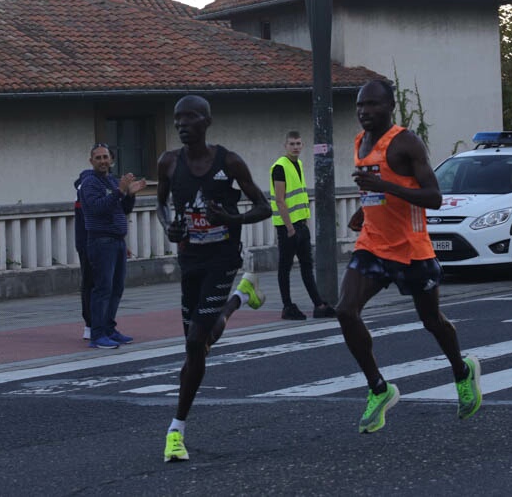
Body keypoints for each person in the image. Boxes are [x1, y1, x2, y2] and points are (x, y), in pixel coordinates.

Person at [336, 79, 481, 434]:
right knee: (345, 310)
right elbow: (374, 190)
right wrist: (364, 211)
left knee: (431, 321)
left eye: (372, 105)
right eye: (359, 106)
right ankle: (379, 389)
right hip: (372, 244)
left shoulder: (405, 142)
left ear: (389, 107)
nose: (364, 112)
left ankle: (462, 372)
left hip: (411, 248)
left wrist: (384, 187)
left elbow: (433, 197)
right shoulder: (360, 141)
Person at [156, 95, 271, 463]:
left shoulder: (229, 162)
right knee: (199, 341)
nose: (181, 124)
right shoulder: (169, 163)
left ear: (206, 122)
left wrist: (231, 220)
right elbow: (160, 204)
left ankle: (176, 430)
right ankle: (241, 296)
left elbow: (263, 206)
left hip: (222, 258)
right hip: (190, 261)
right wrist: (168, 227)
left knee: (193, 344)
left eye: (189, 118)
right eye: (177, 119)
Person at [79, 143, 147, 349]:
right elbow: (97, 208)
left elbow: (123, 208)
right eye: (98, 158)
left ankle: (109, 328)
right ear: (91, 161)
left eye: (105, 157)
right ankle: (97, 334)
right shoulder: (90, 183)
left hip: (117, 241)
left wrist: (130, 194)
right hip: (101, 241)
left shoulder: (111, 180)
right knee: (102, 288)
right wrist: (119, 191)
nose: (102, 161)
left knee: (116, 288)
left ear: (112, 160)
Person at [270, 130, 335, 320]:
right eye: (292, 144)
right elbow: (280, 200)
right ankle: (287, 306)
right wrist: (290, 228)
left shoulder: (297, 163)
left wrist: (303, 224)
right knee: (285, 267)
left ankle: (319, 305)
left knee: (307, 265)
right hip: (287, 226)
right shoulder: (280, 167)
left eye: (298, 143)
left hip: (300, 224)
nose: (296, 147)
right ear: (285, 145)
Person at [74, 168, 95, 340]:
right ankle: (90, 323)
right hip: (88, 243)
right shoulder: (84, 194)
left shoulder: (83, 193)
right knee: (91, 284)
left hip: (94, 242)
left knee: (97, 285)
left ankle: (96, 323)